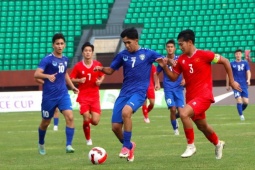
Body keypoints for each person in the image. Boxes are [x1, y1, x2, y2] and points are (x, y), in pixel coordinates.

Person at [156, 29, 242, 159]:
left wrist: (231, 80)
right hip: (191, 97)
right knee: (202, 126)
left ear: (189, 42)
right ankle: (218, 143)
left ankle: (191, 146)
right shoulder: (182, 60)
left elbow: (225, 61)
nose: (179, 47)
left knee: (184, 113)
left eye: (181, 44)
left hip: (204, 96)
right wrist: (164, 67)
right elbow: (173, 77)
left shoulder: (204, 55)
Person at [94, 27, 162, 162]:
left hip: (139, 92)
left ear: (136, 41)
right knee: (115, 127)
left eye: (129, 42)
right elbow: (111, 70)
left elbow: (162, 60)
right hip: (124, 93)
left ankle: (125, 147)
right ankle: (130, 145)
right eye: (125, 43)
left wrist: (167, 63)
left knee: (126, 112)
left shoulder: (148, 53)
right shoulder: (122, 55)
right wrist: (101, 69)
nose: (127, 45)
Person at [34, 33, 79, 155]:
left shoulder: (65, 59)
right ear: (53, 45)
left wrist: (72, 86)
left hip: (63, 94)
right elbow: (36, 74)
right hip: (49, 96)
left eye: (62, 44)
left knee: (69, 116)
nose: (60, 46)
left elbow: (64, 74)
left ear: (64, 45)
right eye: (57, 44)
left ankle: (69, 145)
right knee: (45, 122)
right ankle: (41, 142)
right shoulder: (47, 59)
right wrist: (47, 76)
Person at [70, 42, 105, 146]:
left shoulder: (97, 64)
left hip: (94, 97)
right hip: (83, 96)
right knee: (86, 116)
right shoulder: (78, 66)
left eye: (90, 51)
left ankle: (86, 125)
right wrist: (79, 80)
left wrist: (100, 81)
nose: (88, 53)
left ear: (92, 53)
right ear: (82, 53)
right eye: (86, 51)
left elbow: (102, 74)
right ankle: (88, 139)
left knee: (95, 121)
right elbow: (71, 79)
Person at [157, 39, 185, 135]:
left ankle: (175, 118)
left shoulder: (179, 59)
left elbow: (184, 70)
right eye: (168, 47)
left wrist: (185, 79)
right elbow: (155, 73)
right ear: (166, 48)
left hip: (178, 88)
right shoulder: (163, 60)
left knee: (182, 113)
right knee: (172, 109)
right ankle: (175, 129)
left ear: (175, 48)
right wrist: (157, 83)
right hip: (168, 88)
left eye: (171, 47)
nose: (170, 49)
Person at [226, 49, 251, 121]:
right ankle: (241, 116)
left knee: (246, 102)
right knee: (239, 100)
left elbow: (248, 72)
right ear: (235, 55)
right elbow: (228, 74)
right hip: (235, 85)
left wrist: (248, 79)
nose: (238, 55)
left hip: (244, 85)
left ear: (241, 55)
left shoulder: (245, 63)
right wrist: (227, 85)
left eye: (239, 54)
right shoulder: (231, 63)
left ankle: (240, 110)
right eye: (236, 54)